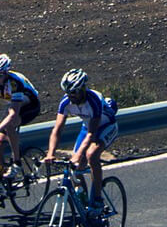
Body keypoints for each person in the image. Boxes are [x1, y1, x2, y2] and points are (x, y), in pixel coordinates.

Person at [44, 68, 119, 214]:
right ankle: (84, 207)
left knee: (91, 155)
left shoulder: (94, 100)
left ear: (83, 89)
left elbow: (92, 133)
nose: (71, 96)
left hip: (105, 126)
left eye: (74, 92)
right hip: (87, 127)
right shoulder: (65, 102)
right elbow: (57, 129)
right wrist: (51, 153)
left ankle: (97, 200)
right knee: (75, 167)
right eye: (68, 93)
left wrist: (79, 154)